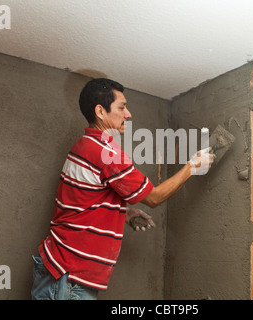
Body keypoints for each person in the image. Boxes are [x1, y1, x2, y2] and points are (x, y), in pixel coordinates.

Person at [31, 78, 214, 300]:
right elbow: (154, 198)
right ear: (100, 111)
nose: (128, 114)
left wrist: (122, 212)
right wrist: (192, 167)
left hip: (56, 268)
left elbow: (82, 199)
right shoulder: (106, 152)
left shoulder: (83, 145)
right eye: (122, 107)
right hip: (69, 277)